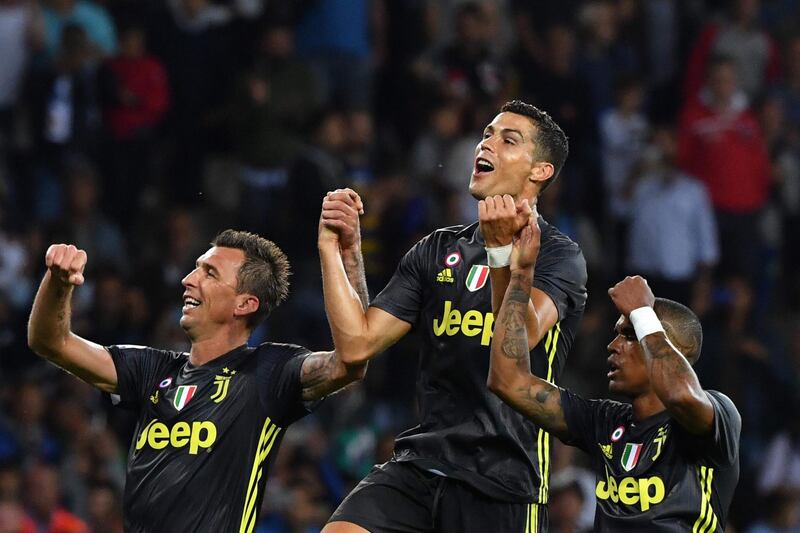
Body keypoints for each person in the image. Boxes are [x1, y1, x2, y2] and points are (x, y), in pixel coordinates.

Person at [319, 100, 587, 532]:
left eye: (508, 139)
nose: (487, 143)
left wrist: (502, 255)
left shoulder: (560, 257)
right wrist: (340, 252)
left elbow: (515, 347)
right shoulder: (436, 249)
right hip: (421, 462)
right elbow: (356, 345)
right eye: (487, 134)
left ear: (540, 171)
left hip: (502, 478)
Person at [27, 229, 368, 532]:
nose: (188, 279)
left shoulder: (268, 372)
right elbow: (51, 342)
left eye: (209, 273)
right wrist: (58, 283)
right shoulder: (151, 370)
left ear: (244, 303)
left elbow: (351, 359)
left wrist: (348, 257)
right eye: (196, 267)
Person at [487, 219, 741, 531]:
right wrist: (511, 269)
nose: (613, 345)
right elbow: (507, 379)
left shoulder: (717, 417)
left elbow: (680, 395)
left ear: (677, 349)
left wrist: (643, 314)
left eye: (630, 334)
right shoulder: (604, 422)